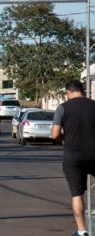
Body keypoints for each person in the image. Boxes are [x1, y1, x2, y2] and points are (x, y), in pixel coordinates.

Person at [52, 80, 95, 236]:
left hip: (73, 156)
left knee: (77, 194)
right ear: (82, 91)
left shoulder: (63, 107)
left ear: (68, 92)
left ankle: (82, 231)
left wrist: (67, 135)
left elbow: (55, 134)